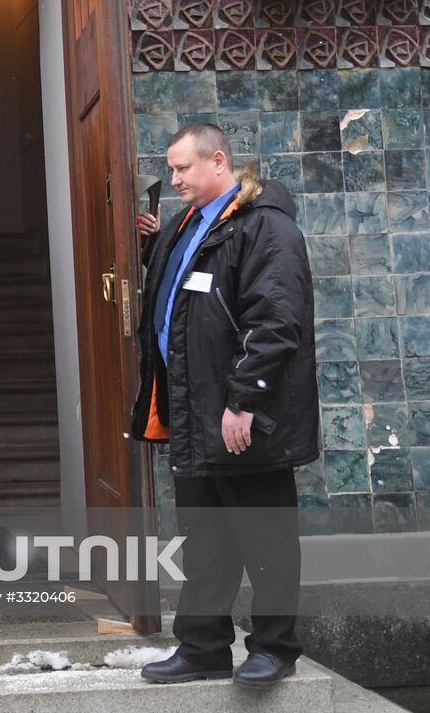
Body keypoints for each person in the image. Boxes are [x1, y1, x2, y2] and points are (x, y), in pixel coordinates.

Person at [132, 123, 319, 690]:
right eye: (172, 168)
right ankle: (204, 647)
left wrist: (243, 400)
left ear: (219, 162)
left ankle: (275, 648)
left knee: (264, 539)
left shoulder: (266, 226)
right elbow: (190, 298)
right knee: (206, 540)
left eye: (184, 168)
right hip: (193, 413)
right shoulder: (188, 224)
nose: (176, 178)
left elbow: (277, 320)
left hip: (242, 416)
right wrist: (151, 247)